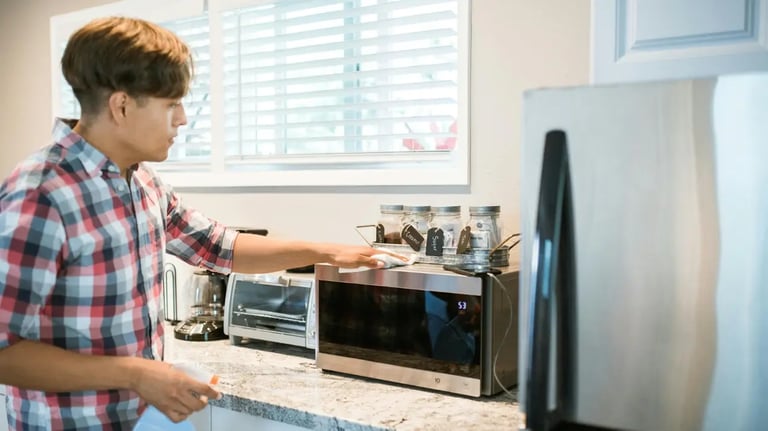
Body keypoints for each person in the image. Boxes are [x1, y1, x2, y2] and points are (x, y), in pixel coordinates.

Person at [0, 16, 399, 430]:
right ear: (121, 106)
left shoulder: (142, 181)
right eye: (171, 104)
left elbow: (218, 246)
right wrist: (134, 373)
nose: (183, 119)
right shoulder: (40, 194)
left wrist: (327, 251)